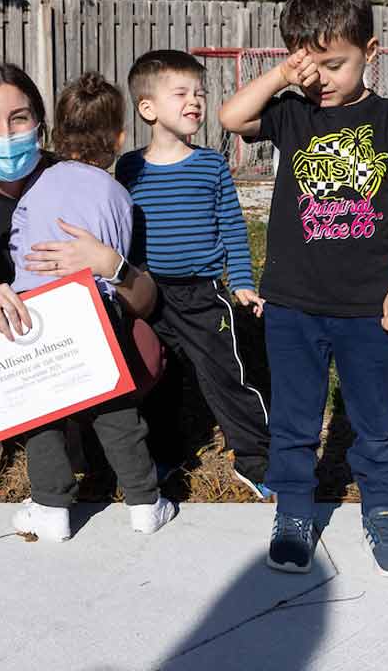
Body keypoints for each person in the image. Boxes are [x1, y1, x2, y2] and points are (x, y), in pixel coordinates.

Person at [219, 0, 388, 577]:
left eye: (335, 64)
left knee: (374, 416)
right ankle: (293, 509)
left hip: (370, 306)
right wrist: (281, 77)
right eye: (309, 64)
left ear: (370, 53)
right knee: (293, 415)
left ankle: (383, 510)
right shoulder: (293, 114)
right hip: (292, 303)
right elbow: (232, 116)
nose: (323, 78)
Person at [0, 62, 158, 505]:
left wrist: (111, 265)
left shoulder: (75, 177)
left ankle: (71, 415)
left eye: (19, 118)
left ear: (40, 124)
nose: (6, 132)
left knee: (147, 348)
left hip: (61, 334)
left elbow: (145, 300)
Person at [7, 73, 177, 540]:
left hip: (33, 309)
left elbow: (18, 248)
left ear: (55, 133)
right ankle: (144, 502)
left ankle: (50, 507)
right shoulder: (118, 196)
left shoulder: (34, 188)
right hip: (94, 310)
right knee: (116, 410)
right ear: (119, 137)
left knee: (42, 413)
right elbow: (117, 266)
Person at [114, 50, 272, 500]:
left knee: (226, 375)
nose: (195, 102)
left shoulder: (211, 165)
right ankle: (166, 454)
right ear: (148, 109)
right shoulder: (129, 168)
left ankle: (256, 459)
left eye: (199, 93)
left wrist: (241, 280)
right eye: (181, 93)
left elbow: (233, 227)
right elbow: (120, 230)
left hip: (204, 295)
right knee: (156, 377)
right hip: (147, 296)